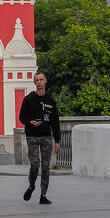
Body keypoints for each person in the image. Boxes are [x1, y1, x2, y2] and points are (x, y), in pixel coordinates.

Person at [19, 71, 62, 205]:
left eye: (41, 80)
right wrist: (30, 122)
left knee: (45, 166)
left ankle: (43, 195)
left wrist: (58, 140)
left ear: (45, 81)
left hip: (46, 136)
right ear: (34, 82)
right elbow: (21, 117)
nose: (39, 82)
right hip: (32, 135)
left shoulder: (50, 100)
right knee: (35, 163)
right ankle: (32, 185)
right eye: (36, 80)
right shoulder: (28, 99)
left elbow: (55, 121)